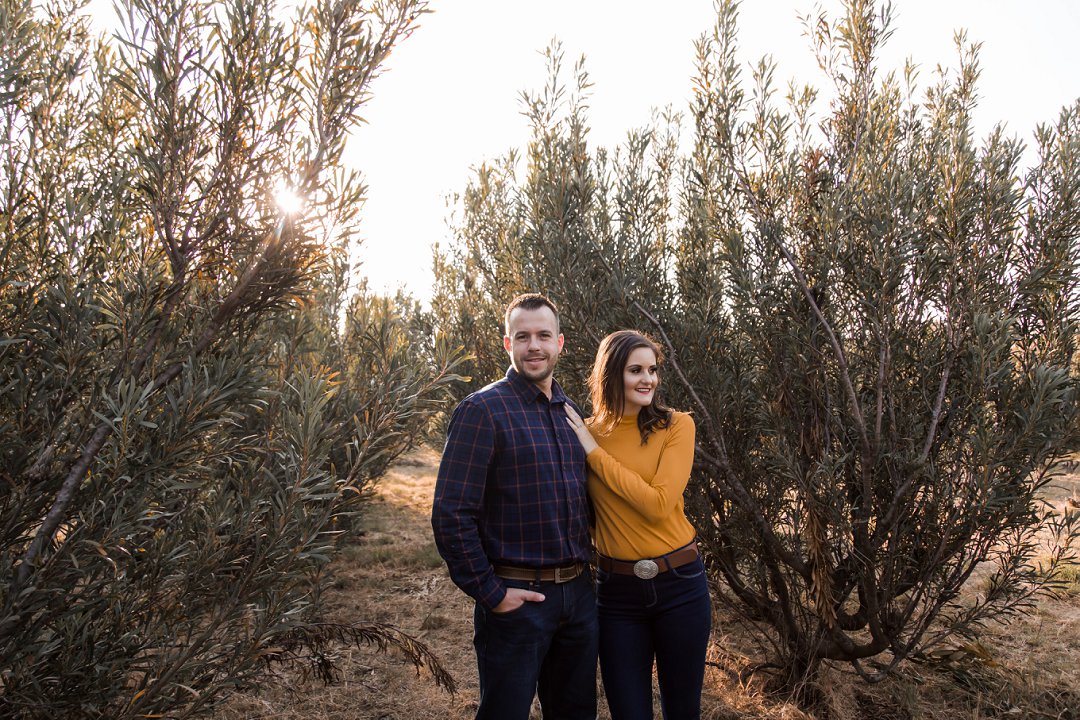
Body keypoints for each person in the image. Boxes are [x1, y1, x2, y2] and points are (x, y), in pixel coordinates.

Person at [431, 293, 598, 720]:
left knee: (576, 712)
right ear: (508, 344)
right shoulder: (483, 410)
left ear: (560, 343)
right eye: (522, 337)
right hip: (518, 602)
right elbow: (452, 513)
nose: (534, 346)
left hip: (578, 598)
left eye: (544, 335)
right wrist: (493, 594)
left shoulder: (569, 412)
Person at [564, 330, 710, 720]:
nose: (648, 379)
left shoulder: (676, 426)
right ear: (612, 374)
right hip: (617, 595)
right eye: (635, 370)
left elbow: (659, 504)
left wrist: (594, 455)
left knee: (683, 711)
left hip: (680, 585)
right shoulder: (587, 433)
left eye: (652, 370)